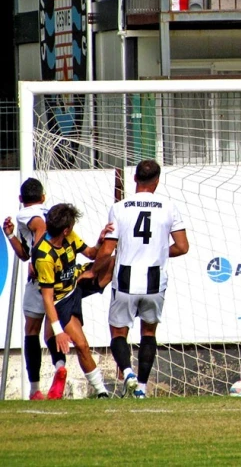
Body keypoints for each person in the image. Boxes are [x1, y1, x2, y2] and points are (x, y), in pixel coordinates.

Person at [92, 159, 189, 399]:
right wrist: (159, 251)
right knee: (148, 333)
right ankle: (142, 388)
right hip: (155, 280)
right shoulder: (169, 207)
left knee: (117, 333)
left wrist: (93, 271)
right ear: (157, 181)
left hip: (125, 278)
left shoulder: (120, 207)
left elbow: (107, 249)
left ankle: (128, 373)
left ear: (135, 178)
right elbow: (183, 246)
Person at [32, 203, 113, 399]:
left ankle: (59, 364)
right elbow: (48, 298)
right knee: (81, 344)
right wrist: (59, 330)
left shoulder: (69, 237)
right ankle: (101, 391)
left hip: (76, 283)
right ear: (66, 229)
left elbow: (92, 253)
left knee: (110, 261)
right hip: (61, 300)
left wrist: (100, 241)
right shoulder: (44, 256)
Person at [2, 178, 65, 400]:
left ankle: (34, 388)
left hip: (41, 276)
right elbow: (23, 254)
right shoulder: (52, 210)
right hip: (61, 277)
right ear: (43, 196)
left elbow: (40, 226)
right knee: (52, 329)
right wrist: (10, 235)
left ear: (21, 199)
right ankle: (59, 367)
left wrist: (37, 258)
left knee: (32, 330)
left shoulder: (25, 213)